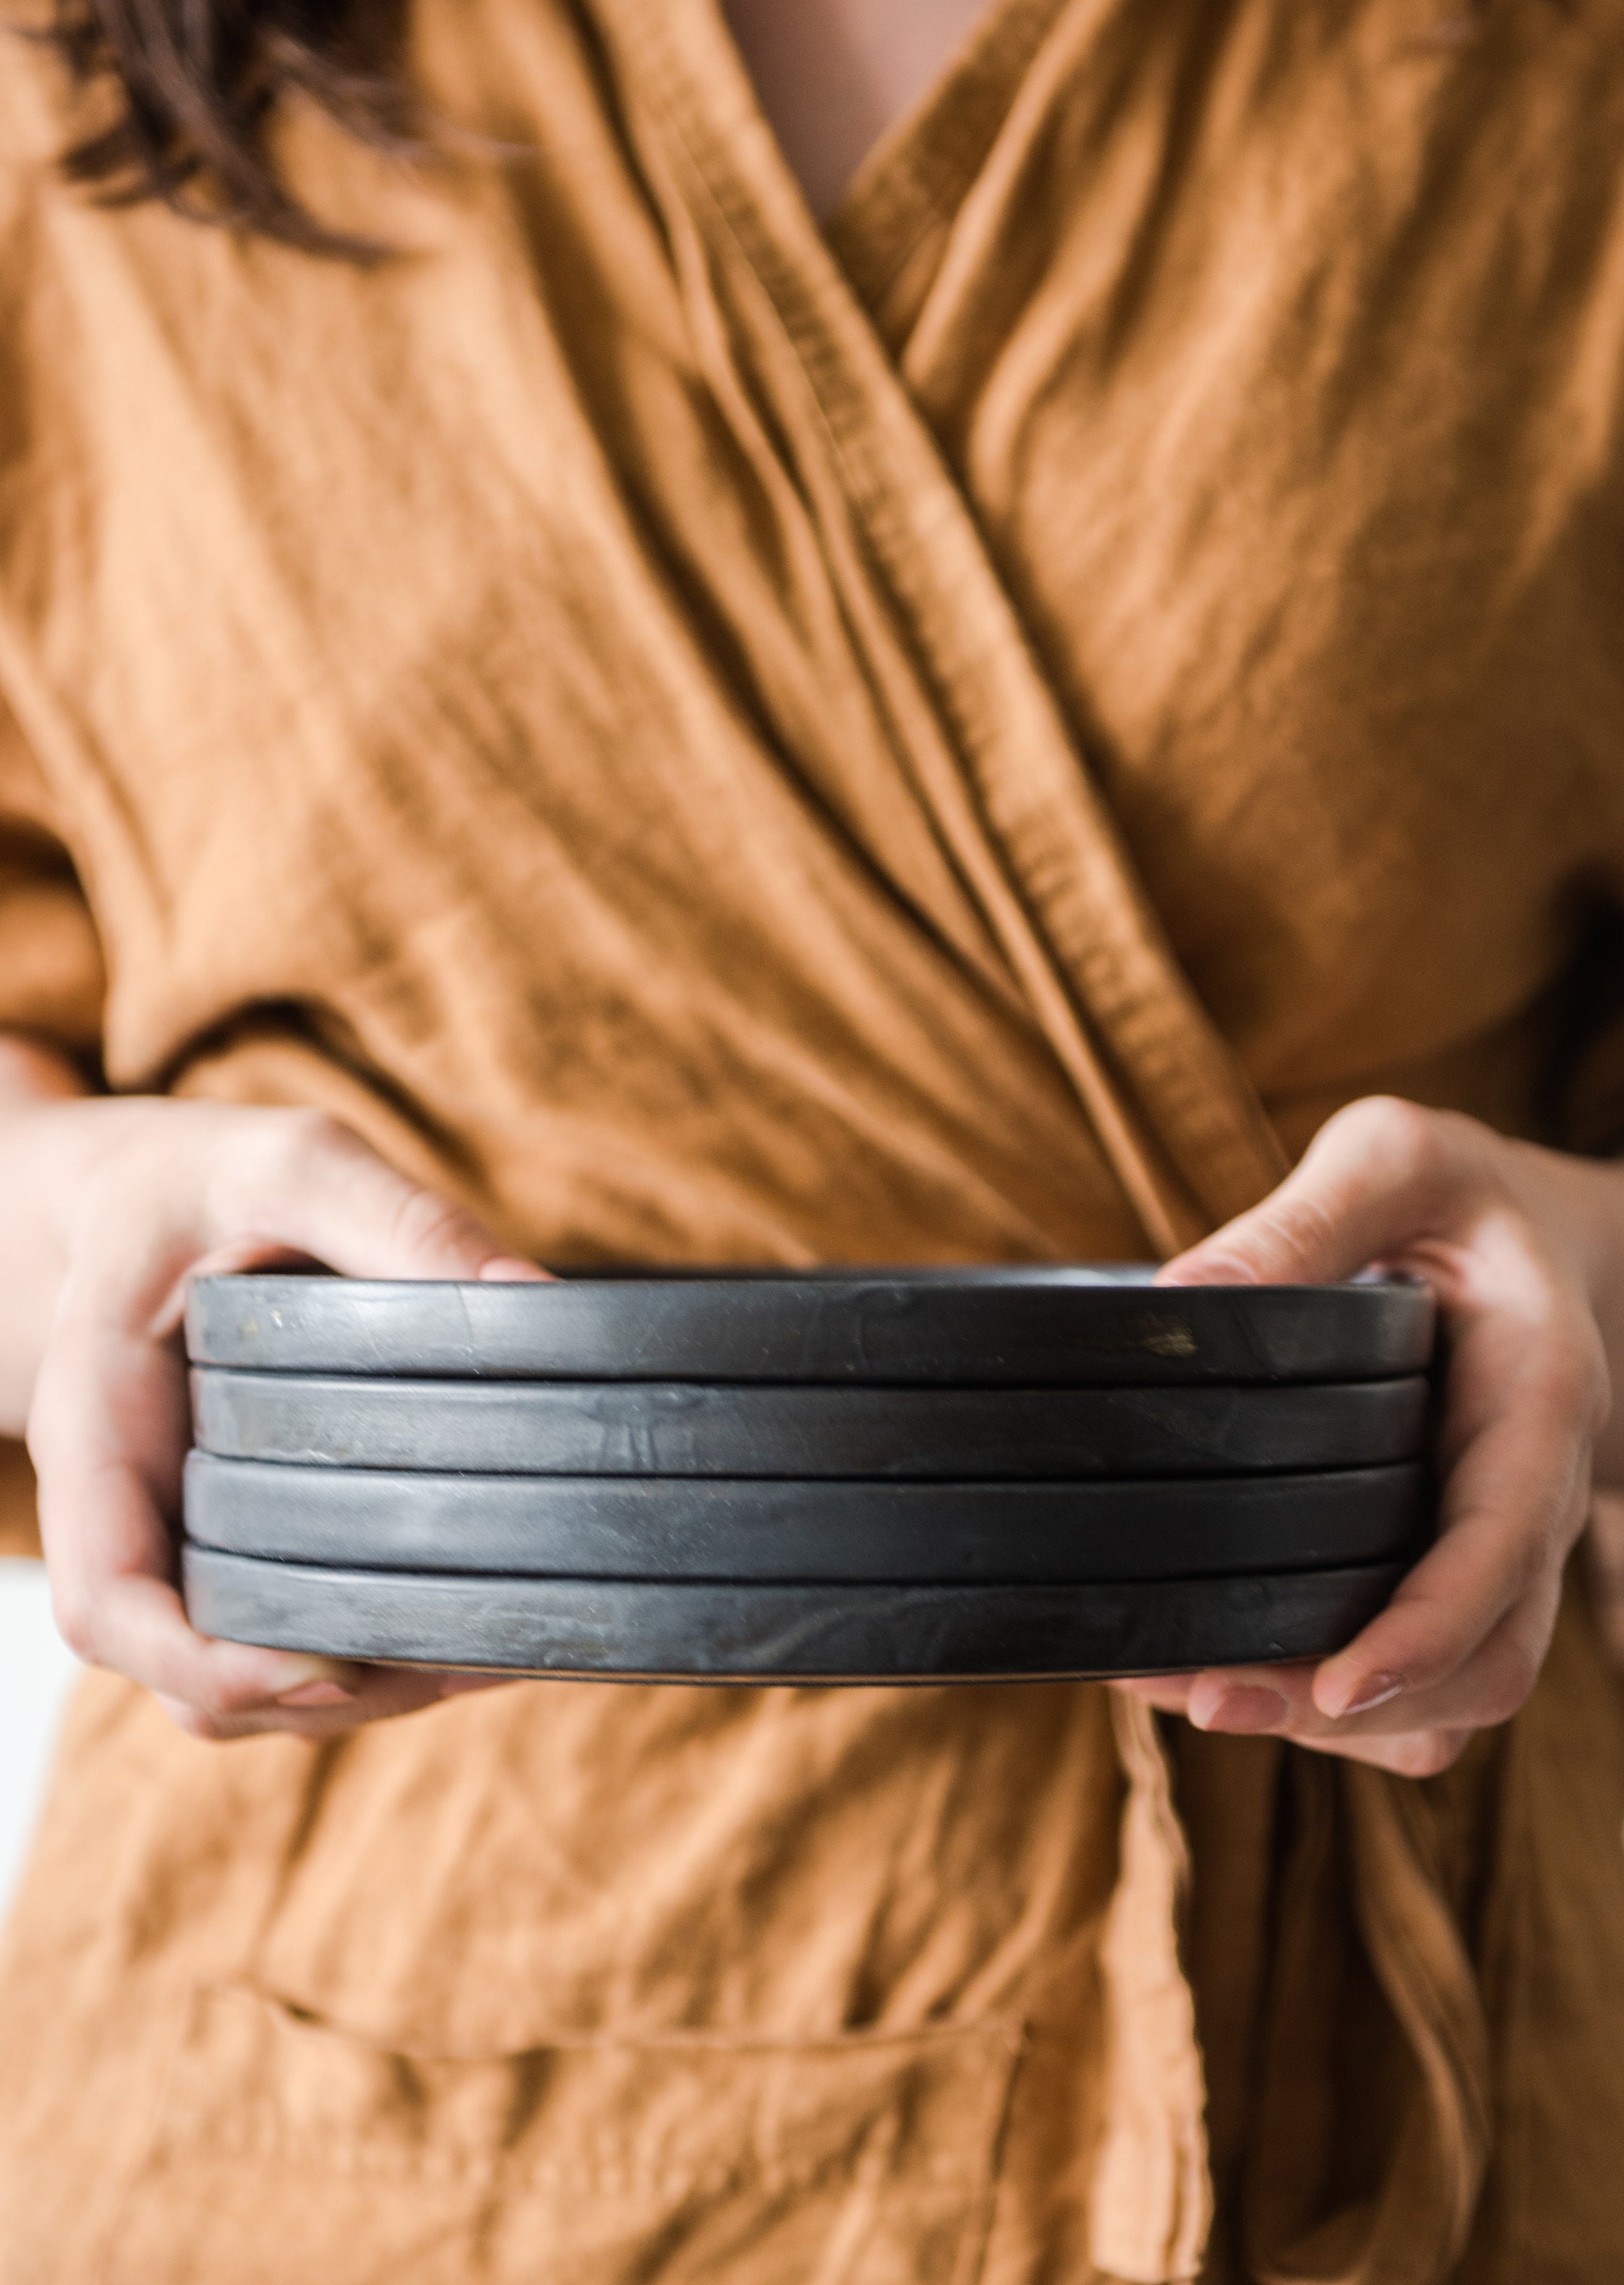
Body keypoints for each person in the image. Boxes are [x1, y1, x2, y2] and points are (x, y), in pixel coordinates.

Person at [1, 0, 1623, 2275]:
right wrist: (75, 1223)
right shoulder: (63, 82)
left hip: (1378, 2013)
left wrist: (1571, 1283)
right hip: (349, 2091)